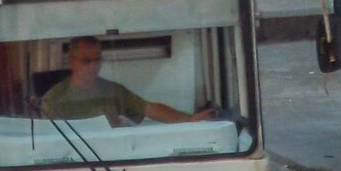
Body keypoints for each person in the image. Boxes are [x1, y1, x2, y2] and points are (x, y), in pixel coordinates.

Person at [37, 37, 214, 126]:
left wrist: (190, 119)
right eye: (86, 61)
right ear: (71, 61)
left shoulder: (113, 91)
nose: (93, 66)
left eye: (97, 60)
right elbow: (49, 142)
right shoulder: (53, 99)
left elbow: (150, 109)